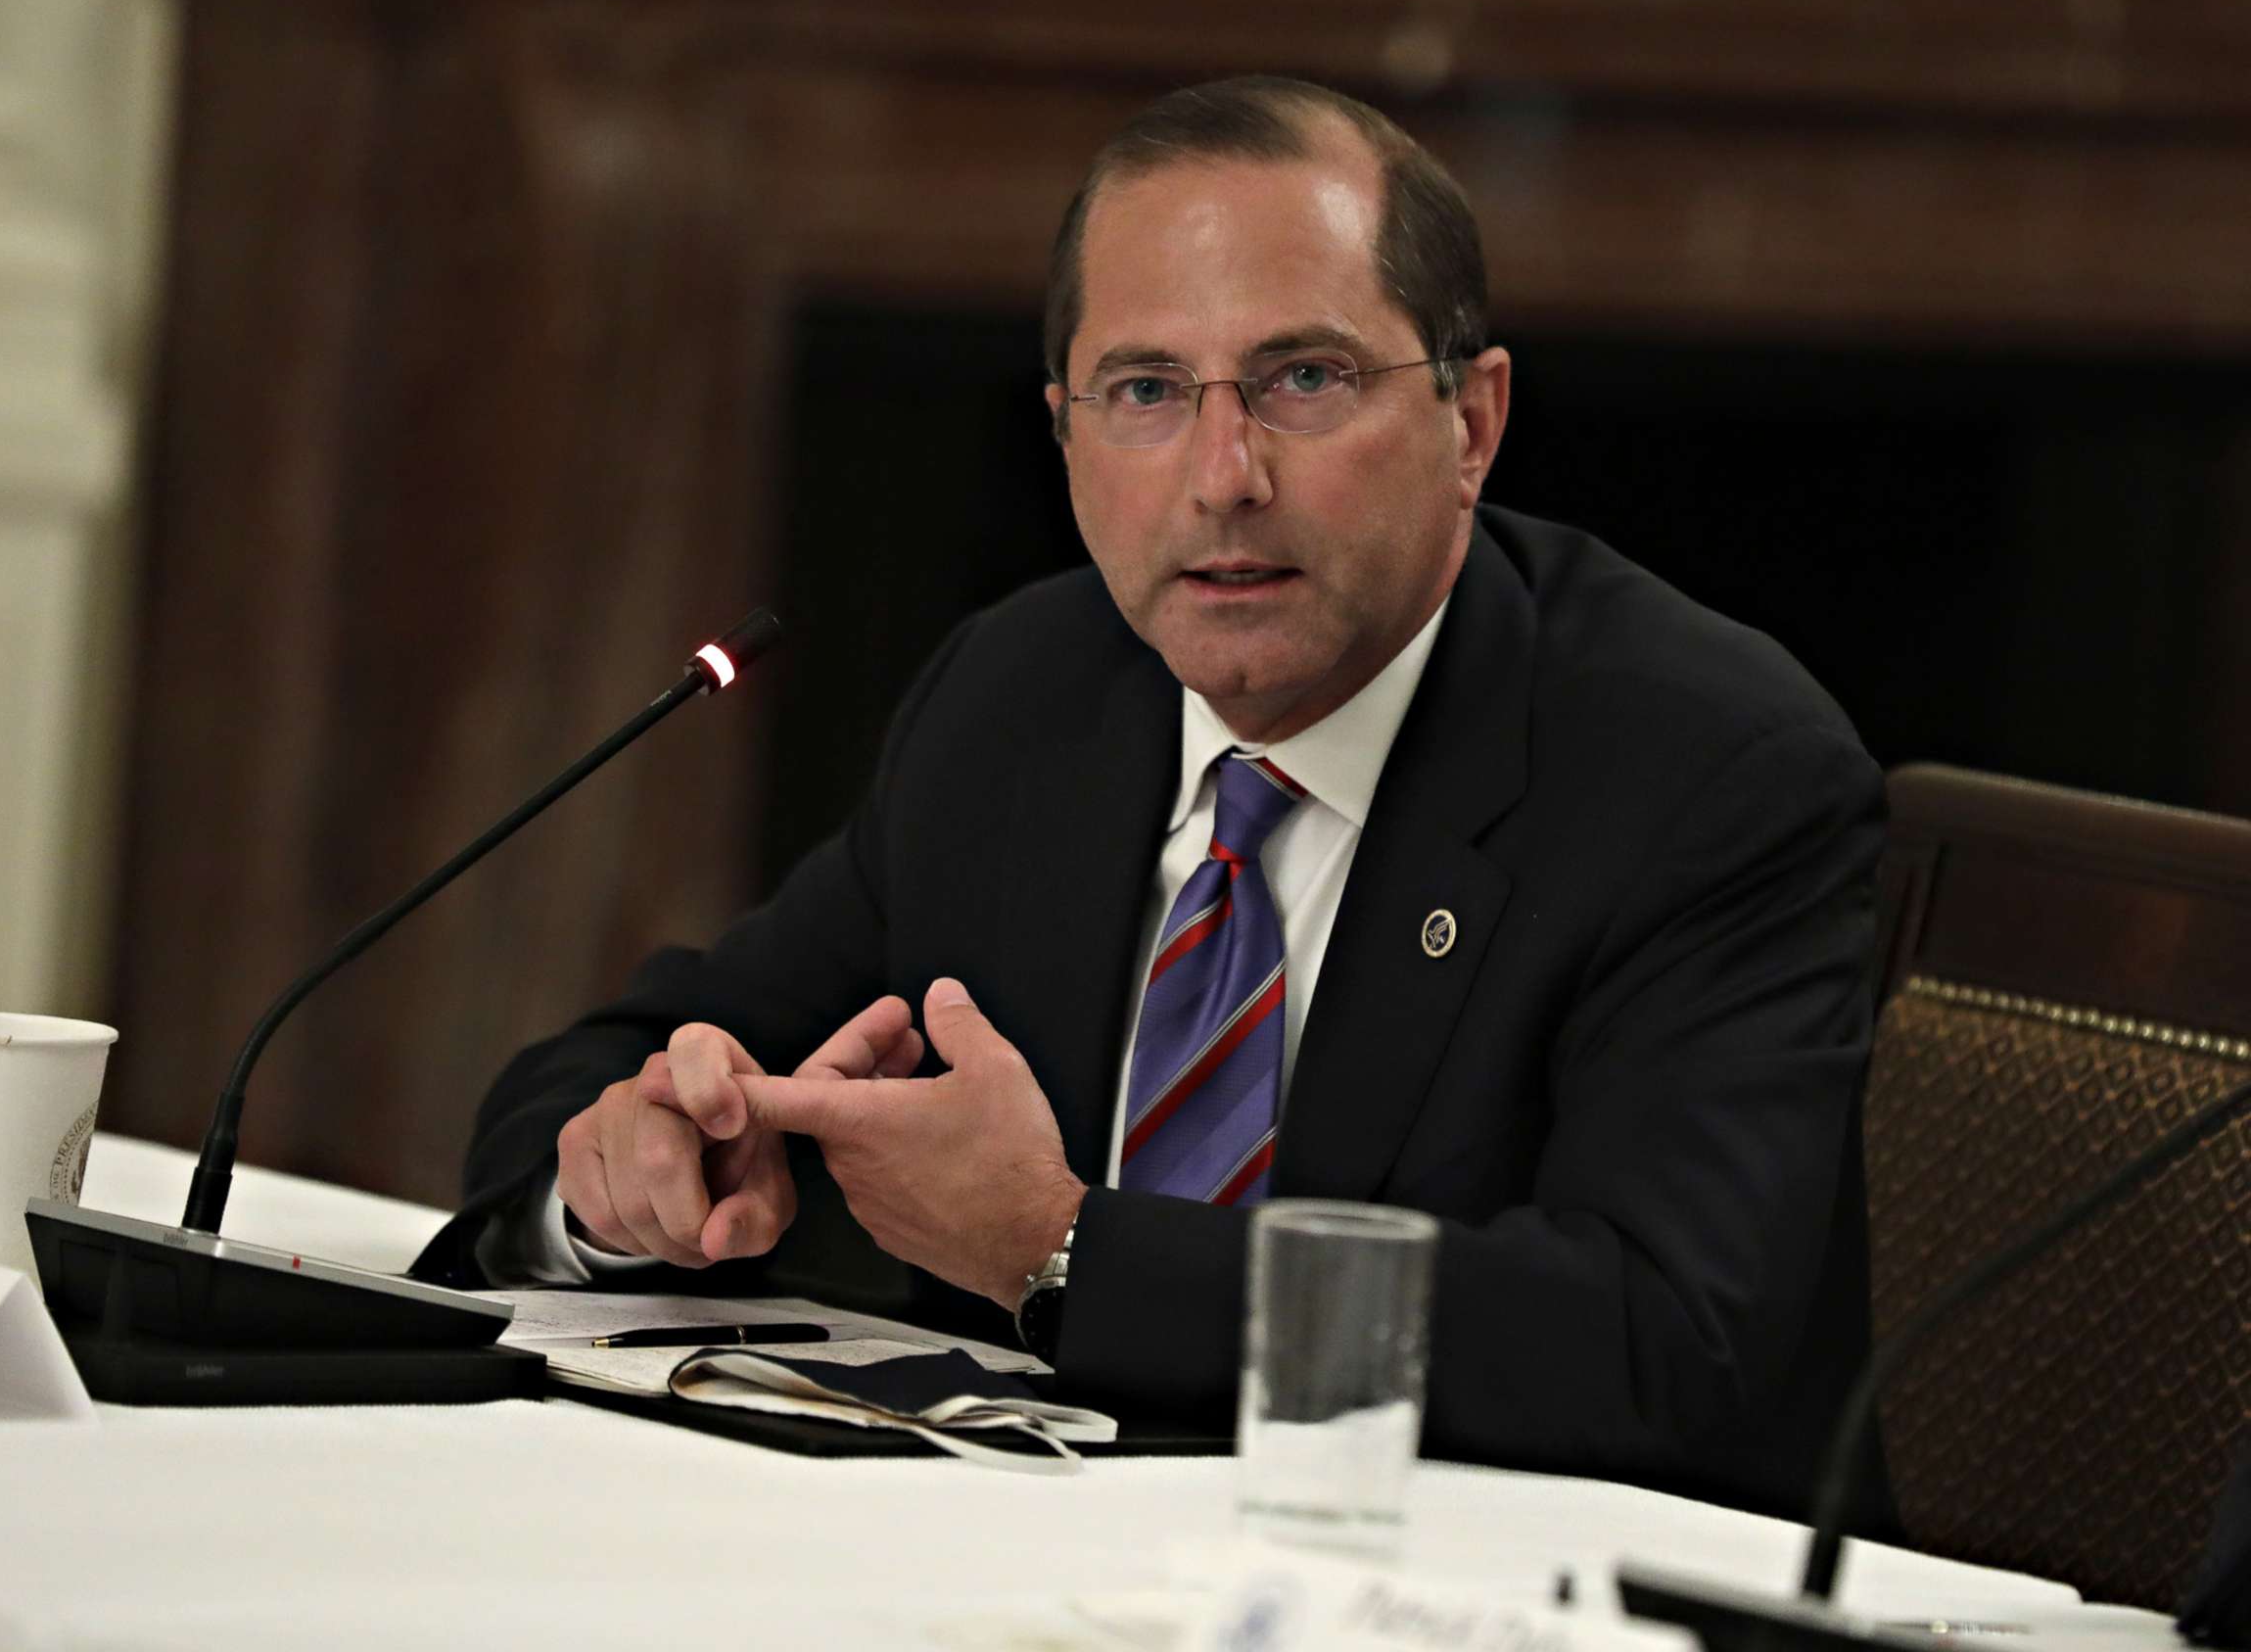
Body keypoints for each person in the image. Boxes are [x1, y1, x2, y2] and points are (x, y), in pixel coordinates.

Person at [414, 74, 1885, 1519]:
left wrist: (1060, 1251)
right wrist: (624, 1186)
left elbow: (1658, 1341)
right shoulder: (1026, 698)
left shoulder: (1708, 771)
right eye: (1147, 392)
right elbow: (636, 1060)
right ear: (1064, 434)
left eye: (1305, 379)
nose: (1223, 475)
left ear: (1473, 421)